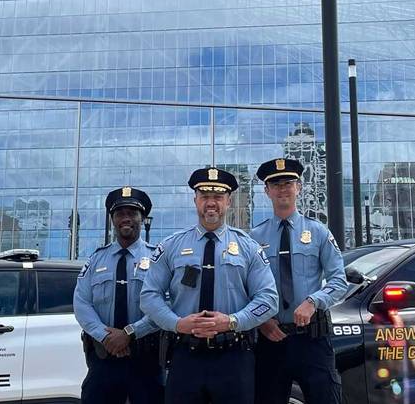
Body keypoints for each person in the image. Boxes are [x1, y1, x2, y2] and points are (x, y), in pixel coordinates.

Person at [139, 167, 278, 404]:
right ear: (195, 200)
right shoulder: (171, 246)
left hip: (234, 358)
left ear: (228, 201)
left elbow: (269, 300)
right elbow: (149, 297)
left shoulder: (248, 247)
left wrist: (233, 321)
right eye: (205, 197)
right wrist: (177, 323)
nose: (211, 203)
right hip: (185, 356)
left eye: (218, 197)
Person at [249, 157, 347, 404]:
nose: (283, 188)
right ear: (267, 190)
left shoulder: (318, 232)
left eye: (289, 183)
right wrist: (261, 321)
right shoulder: (254, 237)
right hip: (271, 338)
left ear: (299, 188)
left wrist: (314, 301)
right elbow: (246, 287)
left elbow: (339, 281)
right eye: (276, 183)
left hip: (311, 340)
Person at [74, 186, 162, 404]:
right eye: (120, 213)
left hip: (145, 359)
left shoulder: (158, 259)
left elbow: (164, 304)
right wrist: (106, 336)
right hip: (104, 358)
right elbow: (82, 303)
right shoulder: (96, 260)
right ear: (112, 219)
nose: (126, 218)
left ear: (142, 218)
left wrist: (130, 333)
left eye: (132, 213)